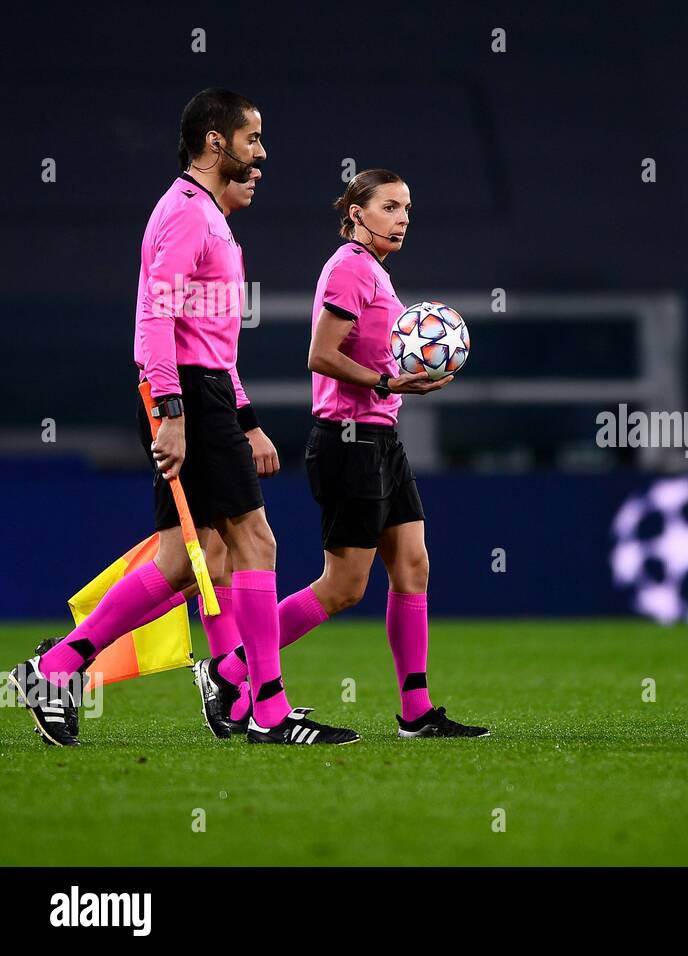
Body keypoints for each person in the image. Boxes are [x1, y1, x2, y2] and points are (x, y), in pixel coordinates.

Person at [9, 88, 357, 747]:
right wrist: (172, 412)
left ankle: (54, 669)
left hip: (204, 395)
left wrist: (246, 419)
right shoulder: (187, 215)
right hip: (187, 399)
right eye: (252, 140)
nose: (262, 155)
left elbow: (212, 342)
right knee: (257, 544)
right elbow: (154, 321)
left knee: (189, 561)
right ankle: (268, 710)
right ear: (216, 142)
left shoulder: (207, 217)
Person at [193, 169, 489, 740]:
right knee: (344, 585)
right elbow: (320, 355)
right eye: (389, 207)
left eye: (407, 208)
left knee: (413, 566)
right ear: (356, 212)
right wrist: (387, 382)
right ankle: (227, 673)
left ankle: (416, 711)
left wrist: (394, 383)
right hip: (347, 440)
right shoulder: (350, 268)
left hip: (381, 437)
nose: (402, 218)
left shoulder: (374, 271)